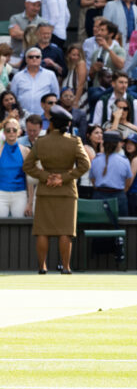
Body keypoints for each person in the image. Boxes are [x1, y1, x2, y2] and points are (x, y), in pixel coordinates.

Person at [23, 108, 91, 273]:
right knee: (65, 231)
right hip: (66, 191)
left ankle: (42, 267)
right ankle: (66, 267)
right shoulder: (74, 142)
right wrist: (65, 178)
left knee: (42, 231)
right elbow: (85, 165)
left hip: (45, 190)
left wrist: (46, 176)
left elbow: (27, 166)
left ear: (52, 123)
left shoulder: (41, 142)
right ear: (67, 125)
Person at [0, 117, 32, 217]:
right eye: (8, 130)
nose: (11, 132)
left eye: (14, 130)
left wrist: (30, 202)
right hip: (1, 194)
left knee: (19, 225)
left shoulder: (25, 151)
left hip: (20, 194)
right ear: (4, 133)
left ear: (19, 132)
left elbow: (29, 178)